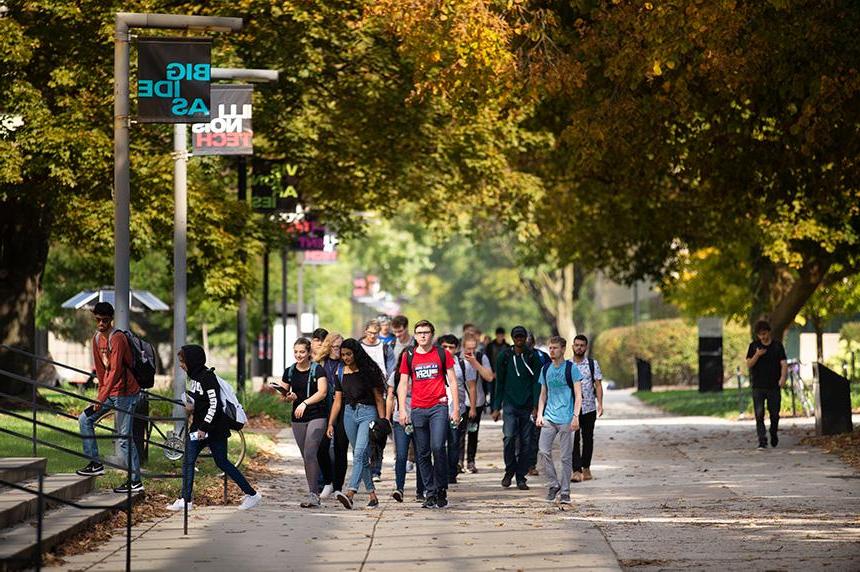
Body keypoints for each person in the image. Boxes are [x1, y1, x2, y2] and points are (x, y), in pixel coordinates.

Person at [166, 345, 261, 512]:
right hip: (206, 428)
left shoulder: (207, 378)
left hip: (210, 429)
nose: (181, 365)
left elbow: (214, 405)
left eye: (183, 361)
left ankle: (251, 495)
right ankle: (186, 499)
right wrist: (191, 407)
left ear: (192, 361)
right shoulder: (195, 377)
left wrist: (203, 428)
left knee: (206, 461)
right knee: (203, 461)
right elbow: (201, 401)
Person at [76, 302, 143, 494]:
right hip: (110, 393)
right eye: (97, 320)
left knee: (123, 438)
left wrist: (101, 397)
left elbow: (115, 370)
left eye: (105, 320)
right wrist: (100, 397)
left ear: (111, 319)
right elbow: (101, 371)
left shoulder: (118, 338)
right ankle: (95, 463)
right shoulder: (97, 340)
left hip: (126, 394)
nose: (101, 324)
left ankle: (135, 480)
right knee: (85, 419)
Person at [398, 320, 460, 509]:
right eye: (419, 333)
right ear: (415, 335)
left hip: (438, 407)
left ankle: (441, 488)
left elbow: (453, 381)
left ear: (432, 334)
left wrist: (455, 408)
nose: (422, 335)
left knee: (438, 447)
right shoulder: (408, 355)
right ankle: (430, 493)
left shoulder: (442, 354)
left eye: (426, 332)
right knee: (422, 453)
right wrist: (402, 408)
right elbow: (402, 383)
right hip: (417, 409)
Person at [326, 338, 386, 509]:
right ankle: (372, 495)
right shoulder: (339, 372)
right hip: (348, 414)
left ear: (356, 353)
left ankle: (350, 492)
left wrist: (382, 422)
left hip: (368, 413)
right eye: (343, 354)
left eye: (349, 354)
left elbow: (378, 398)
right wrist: (330, 423)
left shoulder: (369, 370)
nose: (346, 357)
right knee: (360, 456)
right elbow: (338, 401)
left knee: (359, 453)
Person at [278, 338, 328, 507]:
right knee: (307, 457)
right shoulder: (290, 371)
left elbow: (322, 392)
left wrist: (305, 402)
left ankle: (314, 494)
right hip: (298, 418)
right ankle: (313, 491)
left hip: (317, 415)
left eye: (302, 352)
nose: (298, 355)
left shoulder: (317, 370)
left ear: (308, 353)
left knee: (309, 453)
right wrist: (288, 396)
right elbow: (283, 396)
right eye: (296, 352)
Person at [491, 325, 542, 490]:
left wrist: (536, 406)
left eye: (522, 337)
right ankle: (509, 470)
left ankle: (521, 476)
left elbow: (537, 383)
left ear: (525, 338)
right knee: (509, 438)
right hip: (510, 405)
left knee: (527, 442)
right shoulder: (504, 356)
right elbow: (499, 383)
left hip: (527, 406)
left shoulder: (532, 356)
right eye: (517, 337)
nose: (519, 339)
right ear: (512, 338)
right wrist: (496, 407)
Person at [536, 336, 582, 504]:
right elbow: (543, 394)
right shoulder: (545, 368)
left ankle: (565, 491)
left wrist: (576, 416)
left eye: (555, 348)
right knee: (543, 451)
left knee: (565, 457)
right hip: (549, 417)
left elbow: (578, 396)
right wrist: (540, 414)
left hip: (566, 419)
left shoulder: (572, 369)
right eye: (550, 348)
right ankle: (553, 484)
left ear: (563, 349)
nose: (552, 351)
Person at [385, 316, 424, 502]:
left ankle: (420, 490)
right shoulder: (396, 374)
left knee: (421, 454)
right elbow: (390, 396)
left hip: (420, 416)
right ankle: (399, 489)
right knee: (401, 456)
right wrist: (386, 417)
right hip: (399, 418)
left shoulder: (421, 374)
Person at [361, 319, 396, 481]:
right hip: (362, 393)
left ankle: (376, 469)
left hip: (380, 393)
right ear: (365, 332)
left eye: (375, 333)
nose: (373, 336)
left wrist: (389, 388)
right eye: (370, 333)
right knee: (364, 433)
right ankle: (365, 465)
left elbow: (391, 370)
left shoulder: (385, 348)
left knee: (378, 431)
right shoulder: (359, 347)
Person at [314, 333, 348, 500]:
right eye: (335, 347)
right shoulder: (320, 364)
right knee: (322, 448)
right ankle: (327, 481)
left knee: (340, 448)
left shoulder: (346, 364)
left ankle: (337, 487)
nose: (338, 351)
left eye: (340, 348)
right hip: (323, 409)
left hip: (343, 410)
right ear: (328, 347)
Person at [746, 320, 787, 449]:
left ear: (769, 332)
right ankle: (762, 440)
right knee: (759, 414)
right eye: (760, 335)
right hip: (758, 385)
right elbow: (749, 364)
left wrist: (783, 378)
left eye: (764, 333)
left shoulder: (777, 346)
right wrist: (757, 355)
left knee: (774, 413)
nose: (763, 336)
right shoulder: (754, 346)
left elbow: (784, 364)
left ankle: (773, 432)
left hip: (773, 385)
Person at [570, 334, 604, 482]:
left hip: (589, 407)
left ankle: (586, 468)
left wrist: (600, 404)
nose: (579, 348)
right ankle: (576, 470)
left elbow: (598, 385)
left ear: (586, 347)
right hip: (572, 409)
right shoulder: (567, 365)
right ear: (572, 346)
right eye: (576, 345)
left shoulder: (592, 364)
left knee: (588, 438)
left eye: (582, 345)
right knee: (574, 439)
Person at [459, 333, 494, 473]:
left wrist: (475, 363)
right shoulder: (457, 358)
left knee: (473, 432)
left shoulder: (481, 357)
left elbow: (490, 377)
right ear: (463, 347)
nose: (471, 352)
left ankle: (471, 461)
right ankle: (458, 461)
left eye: (474, 348)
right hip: (460, 402)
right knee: (459, 434)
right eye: (468, 349)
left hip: (477, 402)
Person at [438, 335, 467, 483]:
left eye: (451, 347)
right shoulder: (435, 362)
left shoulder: (461, 364)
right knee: (438, 443)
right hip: (438, 409)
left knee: (454, 442)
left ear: (456, 348)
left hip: (457, 409)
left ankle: (451, 473)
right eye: (445, 347)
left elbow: (471, 385)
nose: (448, 350)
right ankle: (441, 472)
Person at [526, 331, 551, 476]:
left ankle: (531, 464)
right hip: (521, 402)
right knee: (519, 436)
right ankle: (519, 464)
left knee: (535, 435)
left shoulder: (542, 357)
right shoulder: (514, 356)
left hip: (539, 401)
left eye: (530, 341)